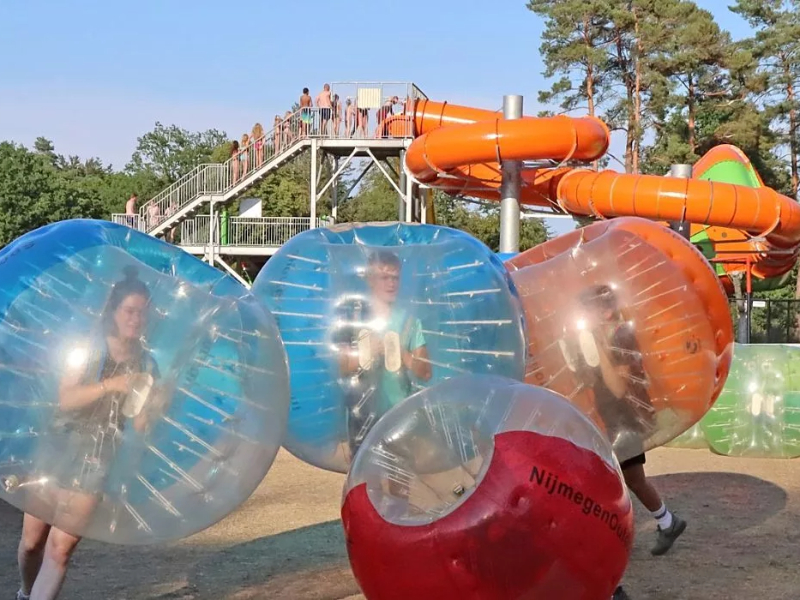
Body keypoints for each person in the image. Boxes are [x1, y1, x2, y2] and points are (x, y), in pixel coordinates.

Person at [15, 267, 164, 600]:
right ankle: (25, 592)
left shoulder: (148, 365)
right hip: (56, 449)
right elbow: (66, 399)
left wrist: (152, 406)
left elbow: (139, 427)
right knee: (32, 543)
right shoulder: (88, 347)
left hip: (97, 460)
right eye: (129, 310)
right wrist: (113, 385)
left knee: (61, 549)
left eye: (142, 312)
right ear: (113, 310)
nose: (136, 319)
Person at [576, 284, 686, 600]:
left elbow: (619, 387)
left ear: (606, 311)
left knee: (609, 487)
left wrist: (599, 346)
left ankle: (613, 559)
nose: (585, 316)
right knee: (633, 480)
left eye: (589, 310)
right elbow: (591, 381)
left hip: (625, 422)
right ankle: (668, 522)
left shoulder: (621, 336)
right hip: (609, 422)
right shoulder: (598, 339)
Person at [337, 251, 432, 459]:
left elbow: (425, 372)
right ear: (370, 280)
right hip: (362, 416)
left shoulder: (409, 322)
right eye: (384, 277)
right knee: (364, 481)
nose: (391, 284)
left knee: (400, 481)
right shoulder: (353, 320)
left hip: (400, 414)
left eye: (395, 278)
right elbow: (340, 366)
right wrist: (366, 354)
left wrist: (402, 354)